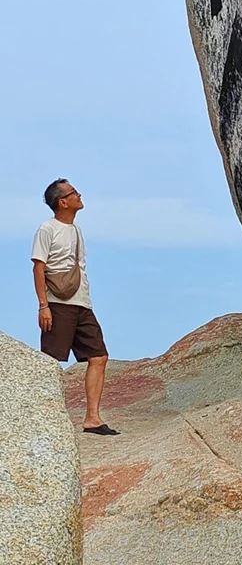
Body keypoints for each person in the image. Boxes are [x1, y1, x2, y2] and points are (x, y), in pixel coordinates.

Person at [31, 180, 119, 435]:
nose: (80, 195)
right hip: (57, 303)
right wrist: (43, 306)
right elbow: (38, 268)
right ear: (63, 202)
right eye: (74, 193)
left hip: (81, 302)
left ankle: (92, 418)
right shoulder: (47, 229)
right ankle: (41, 418)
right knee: (50, 361)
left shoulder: (77, 230)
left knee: (99, 356)